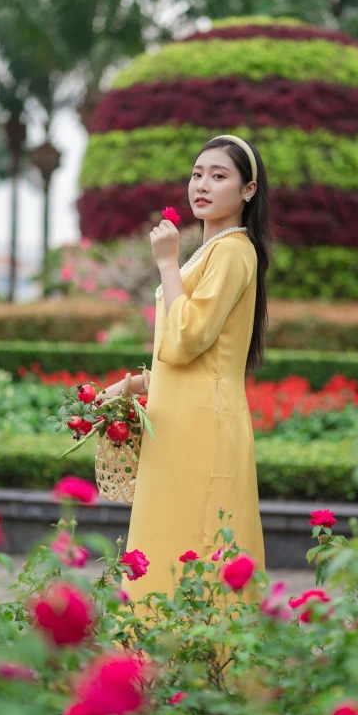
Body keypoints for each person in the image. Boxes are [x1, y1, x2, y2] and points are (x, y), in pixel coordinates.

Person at [101, 135, 274, 613]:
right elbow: (194, 354)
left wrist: (165, 263)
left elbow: (185, 339)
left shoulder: (235, 252)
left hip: (203, 429)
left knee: (196, 544)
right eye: (198, 173)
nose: (202, 185)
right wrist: (140, 384)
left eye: (219, 176)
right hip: (178, 424)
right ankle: (154, 658)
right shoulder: (210, 251)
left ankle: (198, 663)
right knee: (163, 538)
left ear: (248, 190)